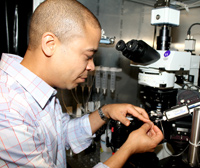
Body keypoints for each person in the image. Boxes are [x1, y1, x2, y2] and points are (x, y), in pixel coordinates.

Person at [0, 0, 163, 167]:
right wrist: (128, 148)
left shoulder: (36, 88)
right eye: (87, 56)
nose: (91, 66)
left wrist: (105, 112)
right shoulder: (8, 108)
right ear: (50, 44)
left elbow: (60, 134)